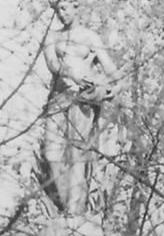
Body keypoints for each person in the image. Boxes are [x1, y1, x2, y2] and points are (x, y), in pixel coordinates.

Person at [34, 0, 121, 218]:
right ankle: (64, 207)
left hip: (83, 100)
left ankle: (74, 212)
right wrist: (71, 73)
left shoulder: (90, 37)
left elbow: (111, 69)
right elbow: (52, 64)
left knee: (77, 154)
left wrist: (115, 87)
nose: (61, 14)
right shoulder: (52, 37)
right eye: (58, 9)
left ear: (76, 7)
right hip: (58, 98)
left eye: (65, 8)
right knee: (51, 154)